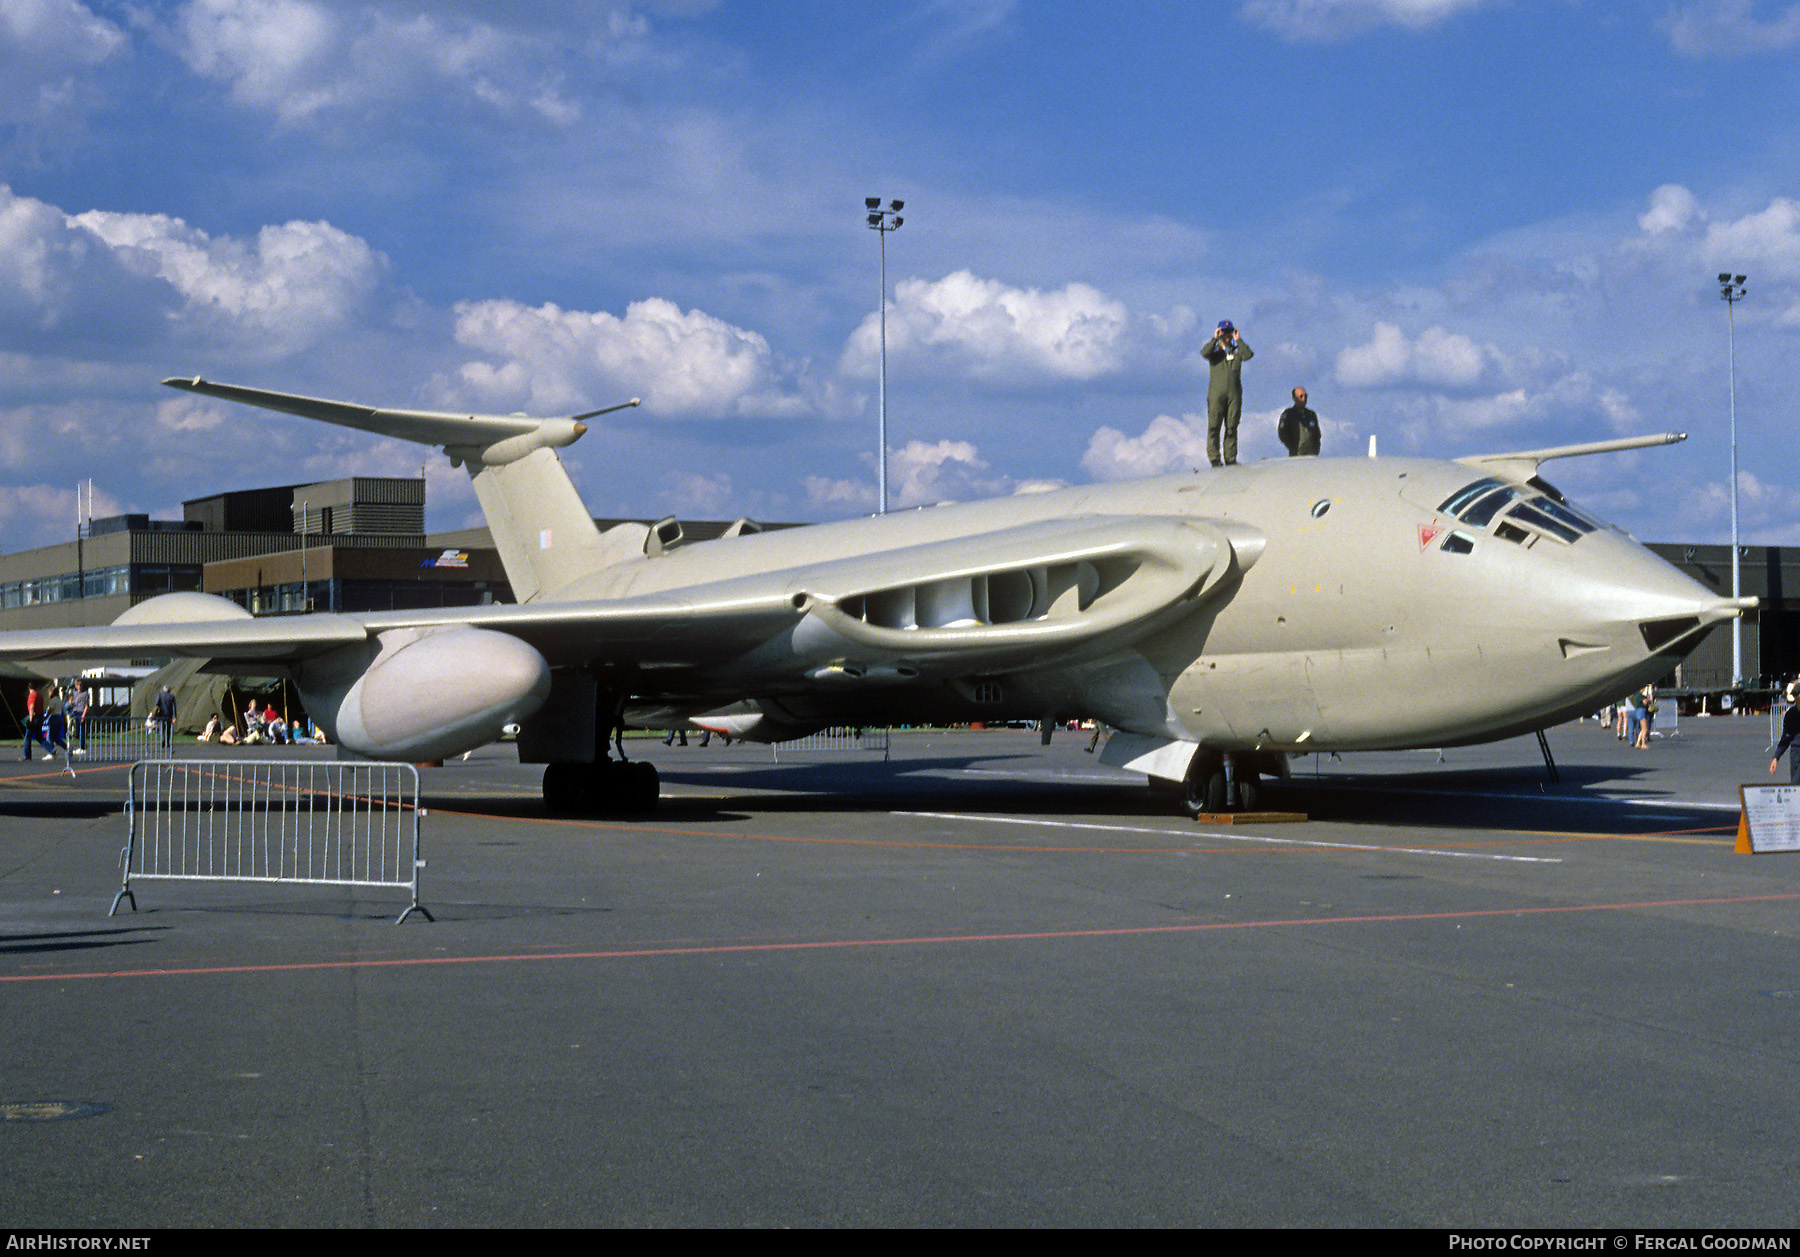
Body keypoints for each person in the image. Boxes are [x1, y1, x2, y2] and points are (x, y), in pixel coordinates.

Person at [1200, 320, 1253, 467]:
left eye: (1229, 331)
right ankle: (1215, 458)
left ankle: (1230, 457)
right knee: (1214, 426)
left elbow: (1248, 355)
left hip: (1234, 395)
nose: (1226, 335)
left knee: (1232, 426)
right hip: (1217, 394)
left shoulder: (1236, 351)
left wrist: (1238, 339)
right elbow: (1204, 353)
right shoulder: (1214, 352)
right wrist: (1215, 338)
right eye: (1224, 331)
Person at [1277, 386, 1322, 457]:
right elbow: (1282, 433)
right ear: (1294, 398)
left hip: (1312, 455)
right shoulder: (1289, 414)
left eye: (1305, 396)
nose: (1304, 399)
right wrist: (1292, 447)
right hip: (1296, 455)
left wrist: (1316, 449)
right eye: (1301, 396)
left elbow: (1317, 434)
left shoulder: (1311, 414)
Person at [21, 684, 50, 760]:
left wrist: (30, 719)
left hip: (35, 717)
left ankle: (27, 756)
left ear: (28, 688)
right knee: (39, 736)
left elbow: (32, 707)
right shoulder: (40, 696)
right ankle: (52, 749)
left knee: (28, 737)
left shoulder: (32, 695)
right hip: (40, 715)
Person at [68, 681, 89, 755]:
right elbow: (72, 704)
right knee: (77, 731)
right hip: (75, 711)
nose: (79, 687)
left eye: (80, 685)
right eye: (78, 685)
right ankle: (81, 745)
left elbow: (86, 705)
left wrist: (83, 715)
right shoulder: (74, 693)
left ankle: (82, 747)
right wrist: (70, 700)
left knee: (82, 730)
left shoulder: (85, 694)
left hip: (81, 711)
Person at [153, 684, 177, 750]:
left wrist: (154, 714)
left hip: (161, 715)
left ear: (163, 689)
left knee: (162, 728)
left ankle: (162, 740)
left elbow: (156, 705)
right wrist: (174, 716)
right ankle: (167, 742)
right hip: (169, 715)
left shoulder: (160, 695)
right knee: (168, 729)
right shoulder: (172, 696)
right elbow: (173, 707)